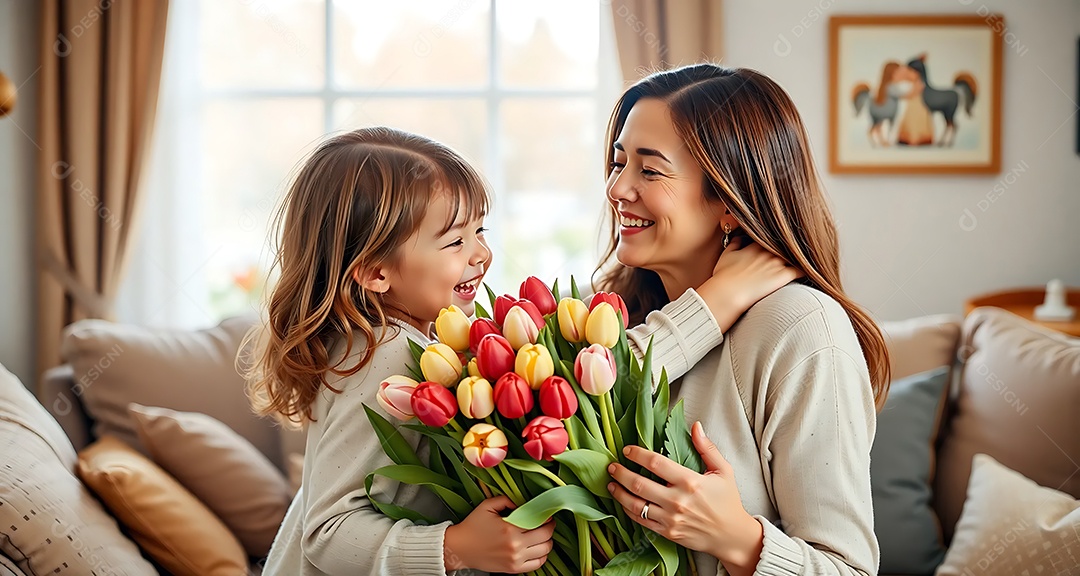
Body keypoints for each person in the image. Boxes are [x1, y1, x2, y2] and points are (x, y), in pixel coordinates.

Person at [246, 126, 796, 575]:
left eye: (479, 230)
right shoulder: (382, 355)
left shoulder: (415, 336)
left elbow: (578, 376)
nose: (481, 255)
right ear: (375, 271)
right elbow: (327, 532)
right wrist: (453, 548)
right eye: (454, 241)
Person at [601, 64, 891, 576]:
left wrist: (738, 540)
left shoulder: (799, 328)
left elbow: (849, 570)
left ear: (729, 202)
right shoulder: (612, 308)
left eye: (650, 170)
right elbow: (562, 398)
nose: (618, 188)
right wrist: (716, 301)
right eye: (620, 162)